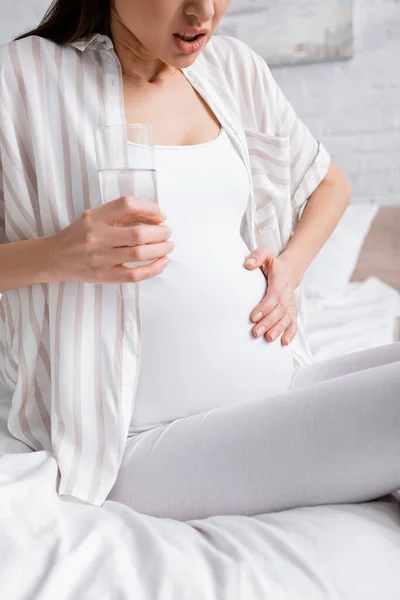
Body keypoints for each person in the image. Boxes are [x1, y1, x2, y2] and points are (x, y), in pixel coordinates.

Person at [0, 0, 399, 520]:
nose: (203, 10)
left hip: (279, 387)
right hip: (134, 443)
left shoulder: (232, 68)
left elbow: (330, 184)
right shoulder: (24, 79)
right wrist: (58, 255)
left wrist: (290, 269)